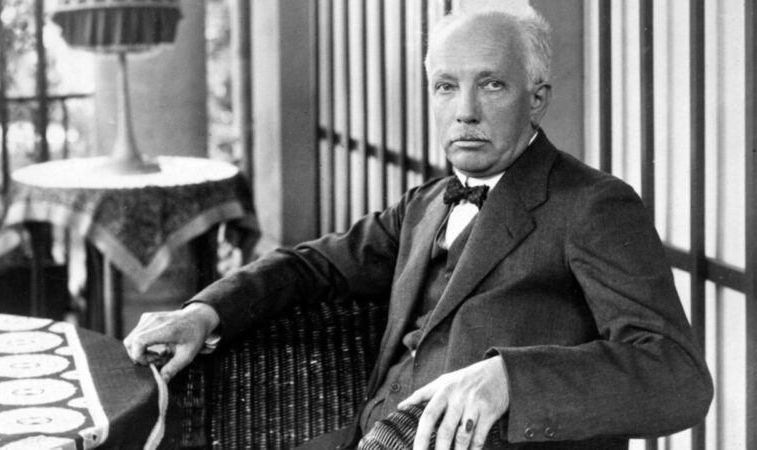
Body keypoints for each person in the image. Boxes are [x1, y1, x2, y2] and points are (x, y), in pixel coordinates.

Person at [125, 4, 713, 450]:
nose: (465, 112)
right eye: (445, 87)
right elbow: (314, 266)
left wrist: (510, 379)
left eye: (491, 84)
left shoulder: (592, 205)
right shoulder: (425, 204)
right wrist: (204, 312)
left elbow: (678, 376)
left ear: (536, 99)